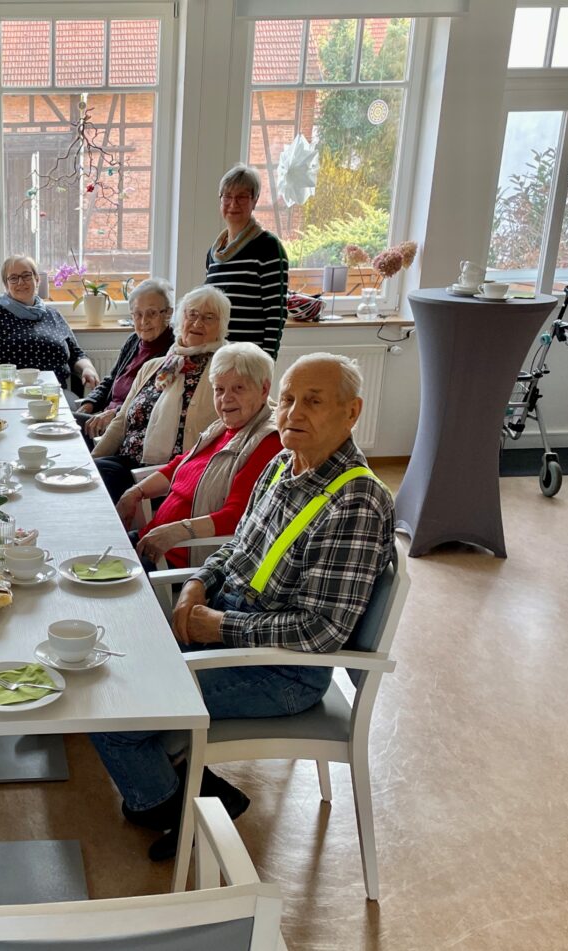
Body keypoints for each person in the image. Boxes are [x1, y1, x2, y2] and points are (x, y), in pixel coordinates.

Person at [90, 353, 395, 861]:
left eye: (314, 402)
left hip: (283, 672)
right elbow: (237, 548)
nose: (294, 412)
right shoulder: (283, 464)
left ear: (351, 412)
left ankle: (170, 804)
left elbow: (320, 632)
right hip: (231, 624)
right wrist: (197, 586)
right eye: (291, 399)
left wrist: (220, 627)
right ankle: (195, 788)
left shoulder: (357, 501)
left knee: (116, 717)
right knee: (109, 664)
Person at [116, 342, 282, 570]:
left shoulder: (267, 442)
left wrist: (179, 530)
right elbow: (180, 466)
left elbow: (238, 517)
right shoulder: (223, 427)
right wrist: (136, 492)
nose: (226, 398)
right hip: (152, 541)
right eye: (219, 389)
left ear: (264, 389)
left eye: (239, 388)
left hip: (177, 561)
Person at [92, 286, 230, 502]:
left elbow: (258, 407)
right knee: (89, 473)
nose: (197, 323)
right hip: (127, 460)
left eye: (209, 317)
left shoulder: (224, 371)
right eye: (191, 314)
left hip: (168, 475)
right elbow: (121, 422)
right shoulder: (155, 366)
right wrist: (90, 459)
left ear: (221, 326)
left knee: (100, 477)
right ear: (180, 319)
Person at [0, 254, 100, 395]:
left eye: (26, 276)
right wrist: (0, 384)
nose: (20, 282)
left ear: (37, 279)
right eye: (13, 278)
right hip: (10, 394)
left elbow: (76, 354)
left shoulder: (53, 315)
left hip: (54, 393)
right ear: (6, 284)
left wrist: (88, 368)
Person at [204, 163, 289, 359]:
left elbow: (276, 314)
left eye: (242, 196)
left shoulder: (268, 247)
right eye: (227, 196)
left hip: (249, 358)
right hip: (215, 356)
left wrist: (267, 361)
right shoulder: (214, 253)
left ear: (255, 200)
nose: (233, 203)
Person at [75, 277, 176, 439]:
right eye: (138, 314)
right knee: (61, 424)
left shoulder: (172, 351)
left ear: (168, 313)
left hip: (129, 428)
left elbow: (151, 401)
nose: (144, 321)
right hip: (104, 419)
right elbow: (111, 380)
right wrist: (89, 404)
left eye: (152, 313)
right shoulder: (133, 341)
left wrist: (115, 414)